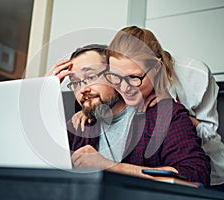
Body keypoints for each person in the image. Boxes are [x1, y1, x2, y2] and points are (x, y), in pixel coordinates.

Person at [47, 44, 210, 187]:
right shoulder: (79, 126)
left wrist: (110, 167)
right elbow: (40, 170)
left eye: (91, 77)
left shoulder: (164, 116)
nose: (82, 89)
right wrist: (42, 92)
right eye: (75, 82)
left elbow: (195, 174)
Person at [106, 25, 224, 192]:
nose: (124, 87)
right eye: (116, 77)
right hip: (158, 181)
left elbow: (209, 132)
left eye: (134, 77)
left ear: (156, 67)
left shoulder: (196, 75)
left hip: (211, 178)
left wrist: (173, 108)